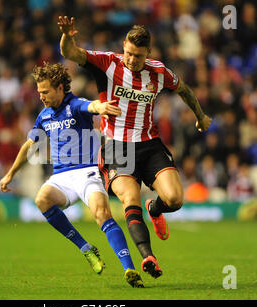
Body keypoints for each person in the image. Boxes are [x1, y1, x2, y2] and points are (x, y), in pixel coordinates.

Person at [58, 16, 212, 279]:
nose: (131, 60)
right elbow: (70, 53)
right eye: (128, 53)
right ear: (123, 47)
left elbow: (183, 89)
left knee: (175, 200)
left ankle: (156, 209)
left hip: (149, 145)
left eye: (137, 56)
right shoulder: (108, 62)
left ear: (148, 53)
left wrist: (200, 115)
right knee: (130, 199)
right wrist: (66, 36)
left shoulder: (158, 72)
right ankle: (147, 256)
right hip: (117, 146)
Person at [0, 62, 144, 288]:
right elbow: (30, 146)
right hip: (62, 177)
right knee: (42, 200)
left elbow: (91, 106)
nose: (42, 97)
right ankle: (86, 248)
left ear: (59, 88)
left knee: (102, 213)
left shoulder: (74, 104)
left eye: (45, 92)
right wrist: (9, 174)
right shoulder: (44, 116)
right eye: (39, 92)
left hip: (88, 172)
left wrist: (101, 107)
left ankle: (129, 269)